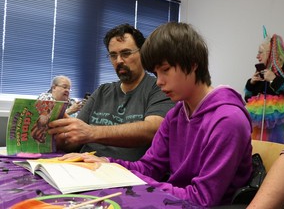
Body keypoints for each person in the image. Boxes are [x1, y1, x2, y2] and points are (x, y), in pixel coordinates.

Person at [58, 22, 253, 207]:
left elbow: (202, 199)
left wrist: (132, 180)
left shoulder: (228, 120)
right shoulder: (177, 114)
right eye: (156, 73)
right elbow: (149, 167)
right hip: (174, 198)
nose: (159, 81)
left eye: (165, 70)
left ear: (193, 64)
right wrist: (109, 164)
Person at [48, 24, 174, 161]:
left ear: (142, 53)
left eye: (126, 53)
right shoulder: (102, 91)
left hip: (125, 173)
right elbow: (77, 136)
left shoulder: (159, 88)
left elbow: (152, 130)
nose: (119, 60)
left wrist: (92, 133)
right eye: (113, 55)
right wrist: (60, 138)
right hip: (84, 165)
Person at [244, 34, 284, 144]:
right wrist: (251, 83)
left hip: (278, 127)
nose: (257, 56)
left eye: (260, 52)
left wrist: (273, 79)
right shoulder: (262, 71)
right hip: (258, 128)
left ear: (270, 52)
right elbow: (247, 98)